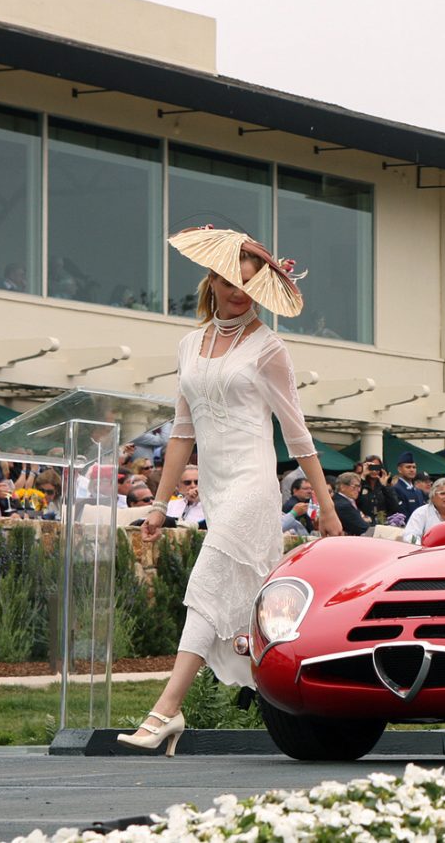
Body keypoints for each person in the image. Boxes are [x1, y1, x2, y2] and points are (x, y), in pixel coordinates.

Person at [122, 225, 341, 756]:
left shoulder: (269, 349)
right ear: (213, 281)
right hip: (214, 488)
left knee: (206, 582)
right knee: (230, 603)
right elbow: (181, 431)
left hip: (252, 484)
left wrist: (327, 508)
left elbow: (297, 433)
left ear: (261, 288)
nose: (235, 291)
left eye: (246, 284)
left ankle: (165, 711)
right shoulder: (188, 345)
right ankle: (299, 700)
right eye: (227, 281)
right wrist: (158, 503)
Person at [331, 472, 371, 536]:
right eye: (356, 486)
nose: (359, 490)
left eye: (359, 486)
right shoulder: (343, 505)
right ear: (343, 487)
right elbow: (363, 528)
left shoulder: (343, 501)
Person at [391, 452, 428, 520]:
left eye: (414, 467)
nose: (412, 470)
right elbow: (402, 515)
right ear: (399, 469)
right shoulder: (396, 489)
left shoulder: (418, 491)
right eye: (408, 467)